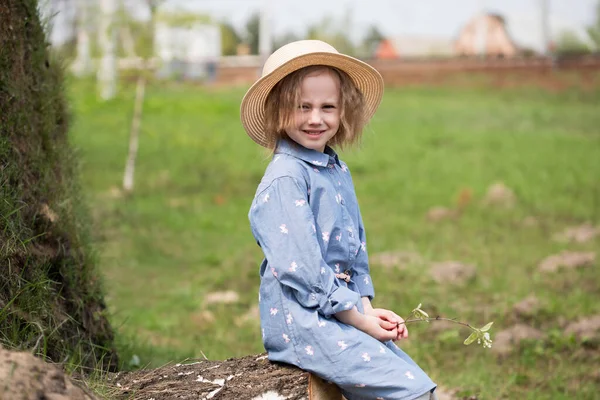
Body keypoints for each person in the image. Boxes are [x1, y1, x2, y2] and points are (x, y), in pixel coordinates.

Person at [241, 40, 437, 400]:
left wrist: (367, 309)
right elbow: (305, 271)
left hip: (337, 313)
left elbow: (351, 254)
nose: (316, 119)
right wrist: (359, 321)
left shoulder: (334, 170)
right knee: (411, 392)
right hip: (303, 322)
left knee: (415, 381)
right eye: (303, 107)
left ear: (342, 111)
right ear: (278, 111)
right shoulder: (286, 178)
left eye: (327, 107)